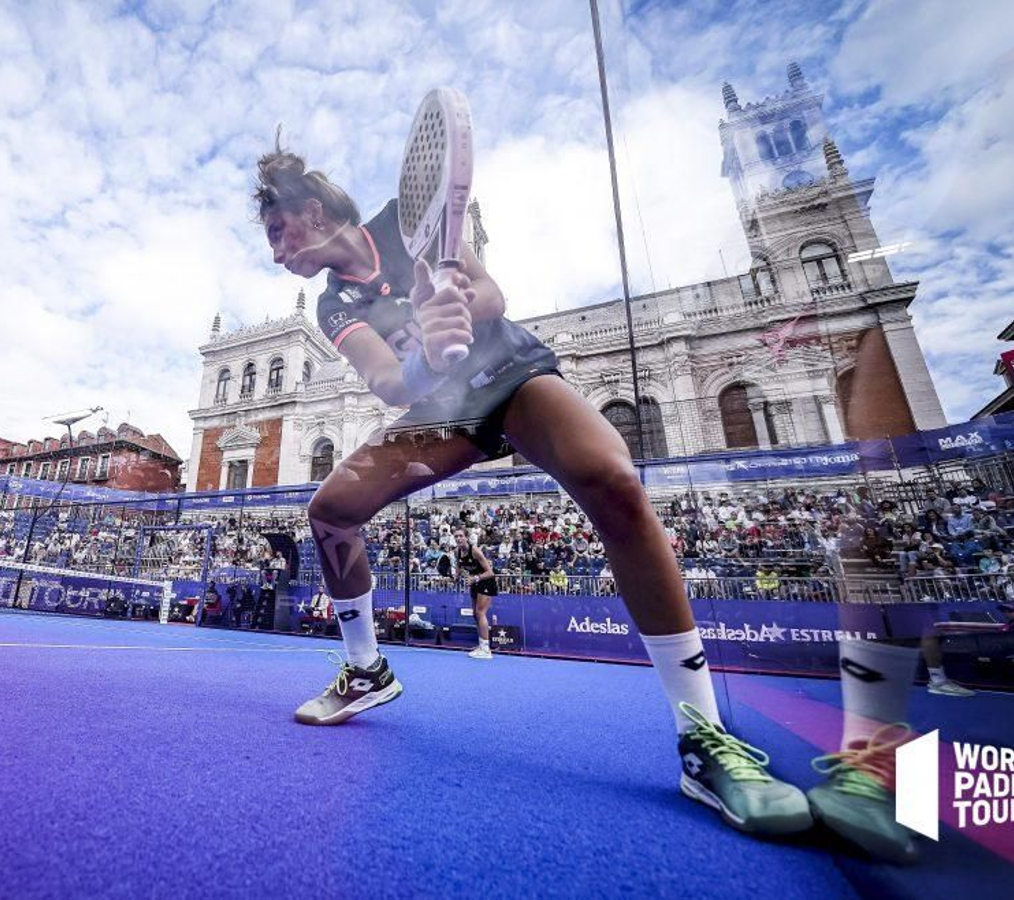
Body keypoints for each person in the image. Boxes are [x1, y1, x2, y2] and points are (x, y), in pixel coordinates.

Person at [253, 141, 811, 835]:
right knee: (331, 511)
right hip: (443, 411)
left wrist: (459, 306)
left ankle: (702, 737)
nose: (277, 253)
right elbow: (389, 383)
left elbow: (490, 294)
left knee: (612, 481)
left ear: (309, 213)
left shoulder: (405, 220)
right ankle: (366, 671)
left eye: (277, 233)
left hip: (511, 378)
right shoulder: (334, 302)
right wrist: (426, 351)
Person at [454, 529, 499, 659]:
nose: (458, 538)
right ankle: (481, 644)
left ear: (466, 537)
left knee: (480, 613)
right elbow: (459, 566)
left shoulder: (475, 551)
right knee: (475, 614)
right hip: (475, 583)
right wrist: (454, 577)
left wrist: (475, 578)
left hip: (486, 582)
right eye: (456, 536)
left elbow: (490, 572)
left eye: (461, 536)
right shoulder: (457, 552)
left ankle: (486, 650)